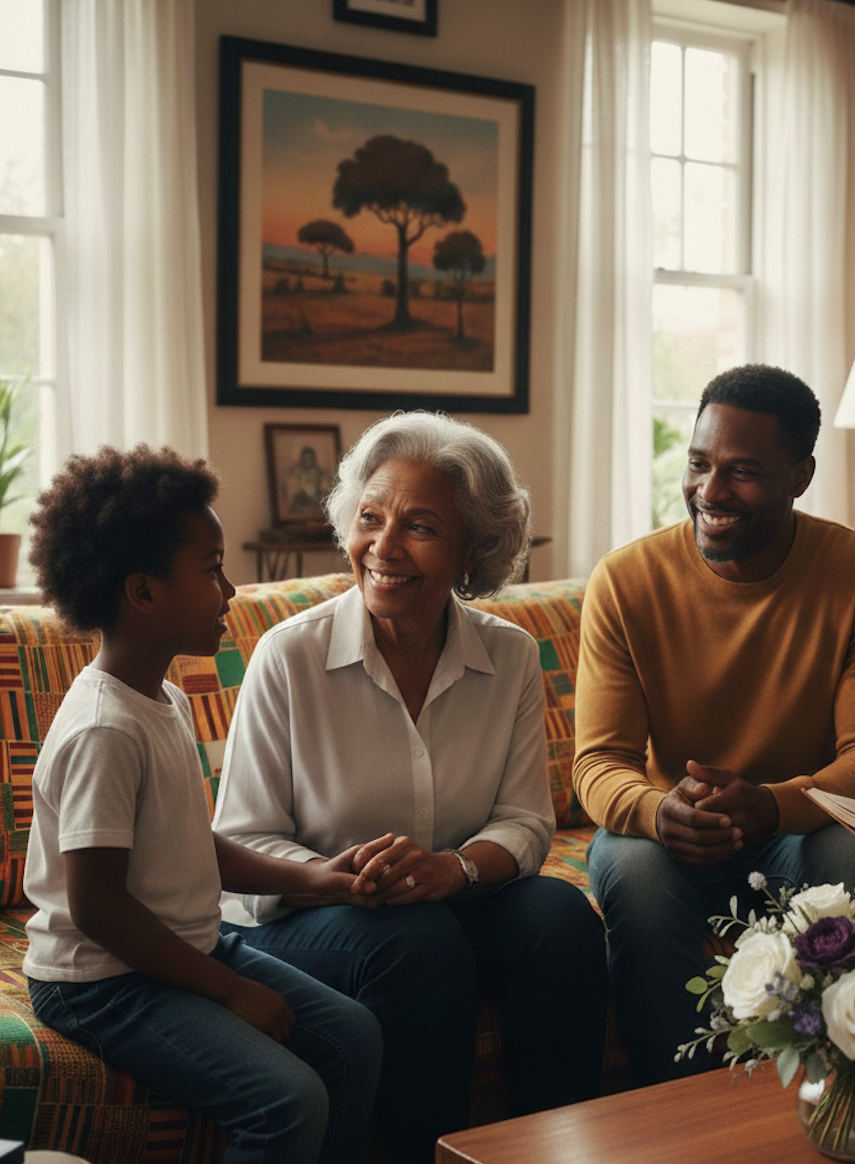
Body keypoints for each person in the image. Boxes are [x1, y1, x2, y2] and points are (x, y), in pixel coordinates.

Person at [213, 412, 608, 1163]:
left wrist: (451, 870)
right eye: (370, 518)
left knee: (561, 919)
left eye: (420, 526)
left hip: (442, 904)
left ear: (473, 550)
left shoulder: (511, 657)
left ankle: (551, 1152)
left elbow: (525, 822)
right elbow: (239, 842)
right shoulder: (287, 658)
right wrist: (338, 880)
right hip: (309, 918)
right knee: (416, 945)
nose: (383, 547)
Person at [22, 446, 383, 1164]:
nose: (232, 590)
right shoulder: (104, 728)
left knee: (355, 1037)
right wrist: (228, 991)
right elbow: (97, 907)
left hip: (184, 946)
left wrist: (317, 877)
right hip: (101, 982)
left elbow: (190, 845)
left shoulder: (164, 700)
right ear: (143, 593)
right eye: (212, 567)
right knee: (290, 1099)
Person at [573, 364, 855, 1085]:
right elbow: (598, 764)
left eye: (743, 472)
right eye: (699, 464)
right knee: (632, 871)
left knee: (845, 860)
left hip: (798, 829)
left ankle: (840, 1089)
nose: (710, 490)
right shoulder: (626, 581)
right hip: (673, 830)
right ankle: (672, 1107)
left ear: (801, 475)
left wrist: (772, 802)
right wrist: (656, 809)